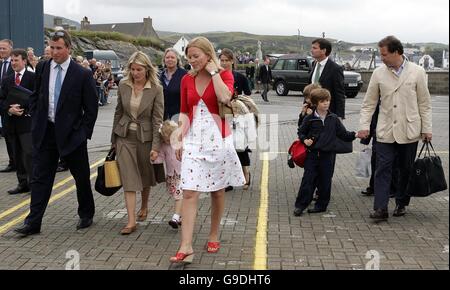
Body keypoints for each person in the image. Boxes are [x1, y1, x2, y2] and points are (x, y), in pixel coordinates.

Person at [14, 30, 99, 237]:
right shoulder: (43, 67)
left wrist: (83, 133)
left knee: (81, 176)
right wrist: (36, 118)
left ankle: (86, 213)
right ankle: (33, 222)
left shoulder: (82, 74)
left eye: (59, 48)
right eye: (52, 48)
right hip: (46, 132)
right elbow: (36, 95)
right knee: (40, 178)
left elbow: (91, 108)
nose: (54, 52)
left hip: (72, 135)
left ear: (68, 48)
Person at [170, 37, 245, 263]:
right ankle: (186, 246)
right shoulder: (186, 79)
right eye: (189, 57)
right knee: (190, 191)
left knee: (217, 192)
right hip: (193, 139)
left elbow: (225, 97)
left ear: (208, 54)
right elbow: (183, 111)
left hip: (218, 140)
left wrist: (214, 73)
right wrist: (179, 139)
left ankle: (213, 234)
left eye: (196, 56)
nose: (192, 61)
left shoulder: (225, 75)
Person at [358, 36, 432, 221]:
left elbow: (424, 103)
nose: (381, 58)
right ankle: (380, 208)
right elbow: (369, 103)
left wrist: (427, 129)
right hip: (385, 130)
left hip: (409, 130)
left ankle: (401, 202)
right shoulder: (378, 73)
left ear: (397, 52)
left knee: (405, 169)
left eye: (384, 54)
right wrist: (364, 126)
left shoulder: (417, 72)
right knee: (382, 169)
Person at [111, 51, 164, 235]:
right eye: (132, 69)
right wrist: (113, 140)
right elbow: (118, 112)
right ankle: (131, 221)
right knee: (129, 178)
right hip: (124, 136)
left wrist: (156, 147)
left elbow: (158, 119)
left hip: (146, 138)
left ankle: (145, 205)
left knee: (144, 175)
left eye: (139, 70)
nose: (135, 73)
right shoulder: (123, 85)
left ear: (147, 69)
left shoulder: (156, 89)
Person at [293, 88, 358, 216]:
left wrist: (356, 134)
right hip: (312, 155)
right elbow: (301, 131)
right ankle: (300, 205)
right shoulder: (310, 119)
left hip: (328, 155)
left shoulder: (333, 118)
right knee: (308, 180)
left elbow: (344, 134)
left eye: (327, 100)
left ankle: (321, 205)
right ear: (315, 103)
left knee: (325, 181)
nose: (326, 103)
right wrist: (305, 140)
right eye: (323, 101)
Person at [0, 49, 35, 194]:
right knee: (17, 155)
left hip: (27, 124)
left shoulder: (33, 77)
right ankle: (22, 183)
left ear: (24, 61)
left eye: (16, 60)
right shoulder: (6, 79)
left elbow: (38, 99)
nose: (13, 63)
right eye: (12, 60)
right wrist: (9, 109)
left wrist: (24, 109)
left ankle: (33, 184)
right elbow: (1, 100)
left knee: (29, 154)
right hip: (11, 123)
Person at [219, 48, 252, 191]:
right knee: (225, 148)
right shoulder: (217, 77)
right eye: (222, 60)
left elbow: (248, 95)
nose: (224, 63)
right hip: (222, 115)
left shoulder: (239, 77)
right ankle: (228, 180)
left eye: (227, 60)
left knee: (240, 147)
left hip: (238, 116)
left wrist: (238, 103)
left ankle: (245, 173)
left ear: (232, 61)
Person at [153, 120, 183, 228]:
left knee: (178, 195)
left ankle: (175, 217)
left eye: (169, 139)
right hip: (172, 175)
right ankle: (181, 216)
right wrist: (153, 159)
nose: (167, 141)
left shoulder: (180, 144)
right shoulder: (164, 146)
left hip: (182, 174)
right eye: (165, 140)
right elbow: (160, 157)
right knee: (177, 195)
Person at [309, 38, 346, 120]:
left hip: (328, 113)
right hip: (312, 112)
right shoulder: (314, 64)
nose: (311, 50)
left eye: (314, 48)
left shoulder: (335, 69)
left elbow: (339, 94)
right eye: (312, 48)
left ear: (323, 51)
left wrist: (339, 116)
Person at [0, 39, 16, 173]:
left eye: (3, 48)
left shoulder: (15, 63)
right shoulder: (0, 65)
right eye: (0, 48)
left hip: (13, 106)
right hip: (3, 105)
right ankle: (12, 162)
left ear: (10, 48)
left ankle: (18, 161)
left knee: (14, 135)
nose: (1, 51)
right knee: (6, 134)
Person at [159, 48, 187, 122]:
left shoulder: (184, 75)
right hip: (163, 115)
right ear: (164, 60)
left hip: (179, 115)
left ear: (177, 59)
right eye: (167, 57)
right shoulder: (160, 76)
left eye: (172, 57)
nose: (170, 59)